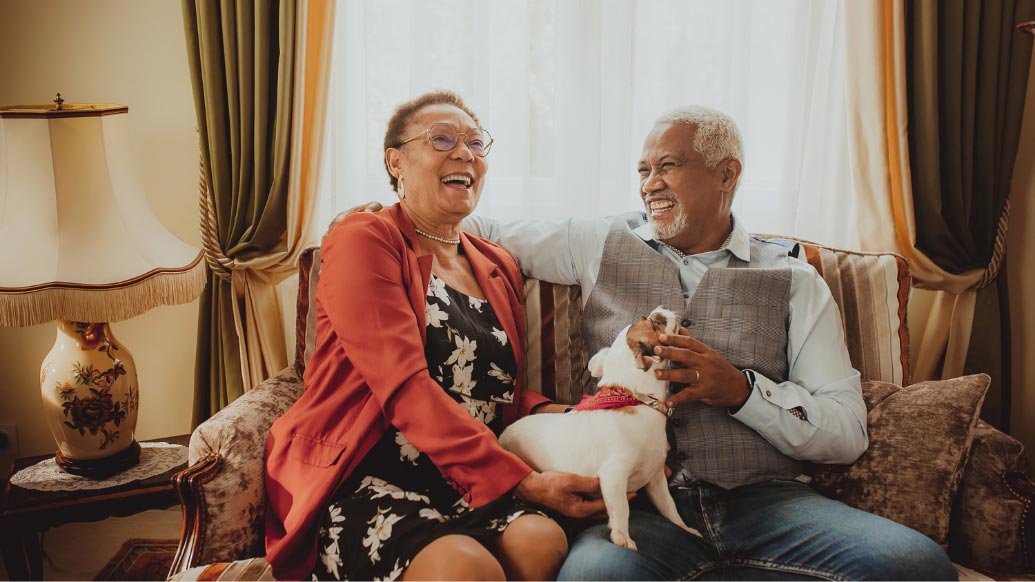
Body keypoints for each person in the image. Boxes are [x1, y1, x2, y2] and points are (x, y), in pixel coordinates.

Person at [341, 105, 958, 580]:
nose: (649, 184)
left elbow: (846, 430)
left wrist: (741, 391)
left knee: (915, 565)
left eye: (668, 166)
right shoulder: (599, 241)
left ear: (726, 174)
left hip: (767, 503)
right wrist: (388, 213)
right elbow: (472, 225)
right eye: (642, 169)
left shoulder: (795, 279)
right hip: (631, 505)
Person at [264, 90, 605, 582]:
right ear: (395, 161)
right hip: (368, 471)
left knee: (541, 543)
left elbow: (496, 396)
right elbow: (403, 386)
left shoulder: (496, 263)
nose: (464, 152)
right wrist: (525, 482)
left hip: (464, 474)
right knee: (465, 569)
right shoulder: (366, 238)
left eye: (475, 142)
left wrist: (581, 415)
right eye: (441, 138)